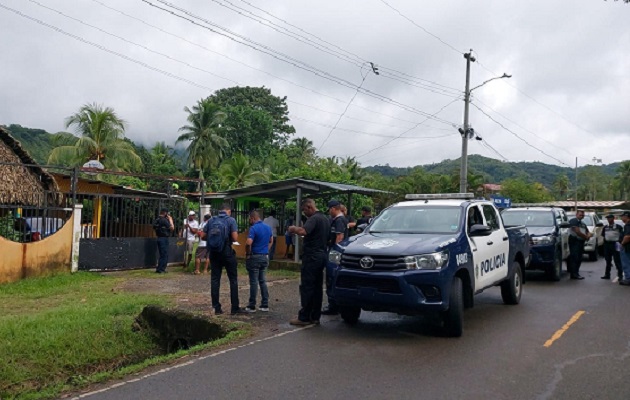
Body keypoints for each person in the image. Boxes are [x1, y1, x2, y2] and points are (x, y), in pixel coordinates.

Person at [287, 198, 330, 326]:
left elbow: (303, 231)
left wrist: (293, 228)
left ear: (309, 207)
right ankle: (315, 316)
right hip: (322, 255)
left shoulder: (314, 219)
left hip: (311, 256)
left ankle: (304, 316)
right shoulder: (325, 219)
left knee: (307, 286)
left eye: (304, 210)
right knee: (317, 287)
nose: (304, 213)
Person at [204, 203, 246, 315]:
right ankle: (235, 308)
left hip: (214, 253)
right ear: (228, 211)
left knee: (215, 279)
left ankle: (216, 308)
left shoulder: (211, 220)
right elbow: (235, 237)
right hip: (227, 252)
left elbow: (203, 235)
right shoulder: (231, 220)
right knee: (233, 280)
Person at [322, 199, 348, 316]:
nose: (329, 212)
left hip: (335, 255)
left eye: (329, 210)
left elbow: (339, 237)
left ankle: (333, 306)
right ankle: (334, 305)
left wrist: (334, 255)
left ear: (333, 209)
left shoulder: (339, 220)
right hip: (333, 253)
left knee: (331, 279)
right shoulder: (338, 220)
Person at [244, 210, 273, 312]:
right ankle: (265, 304)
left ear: (253, 218)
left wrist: (248, 253)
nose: (249, 221)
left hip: (255, 256)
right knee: (263, 281)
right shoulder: (268, 227)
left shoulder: (253, 228)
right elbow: (271, 241)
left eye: (250, 219)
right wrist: (266, 250)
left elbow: (248, 242)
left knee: (253, 282)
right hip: (265, 256)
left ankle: (252, 305)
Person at [567, 209, 592, 280]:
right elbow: (577, 231)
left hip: (581, 242)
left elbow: (588, 231)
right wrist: (585, 236)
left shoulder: (583, 223)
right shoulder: (574, 221)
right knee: (575, 258)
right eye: (580, 215)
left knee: (579, 258)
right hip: (574, 241)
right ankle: (574, 274)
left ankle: (576, 273)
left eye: (583, 215)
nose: (582, 216)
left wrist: (589, 235)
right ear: (577, 215)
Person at [601, 214, 623, 281]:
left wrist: (620, 242)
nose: (608, 219)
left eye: (610, 218)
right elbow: (603, 235)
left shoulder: (618, 227)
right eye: (607, 218)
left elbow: (621, 235)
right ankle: (607, 274)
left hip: (616, 244)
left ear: (613, 218)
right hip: (607, 245)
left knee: (617, 260)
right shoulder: (605, 227)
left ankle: (620, 275)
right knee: (608, 260)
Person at [153, 208, 174, 274]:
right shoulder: (164, 220)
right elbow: (172, 228)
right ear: (165, 213)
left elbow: (154, 227)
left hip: (159, 237)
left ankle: (160, 268)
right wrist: (171, 220)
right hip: (164, 238)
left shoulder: (157, 219)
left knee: (162, 254)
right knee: (164, 254)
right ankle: (161, 269)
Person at [619, 211, 630, 286]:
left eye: (622, 216)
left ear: (626, 217)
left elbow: (627, 236)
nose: (621, 218)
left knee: (626, 263)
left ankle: (628, 279)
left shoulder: (628, 225)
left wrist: (622, 244)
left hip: (627, 247)